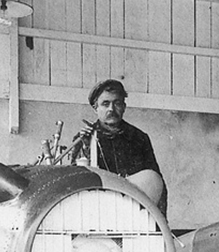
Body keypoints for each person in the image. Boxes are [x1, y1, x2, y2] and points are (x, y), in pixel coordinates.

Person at [71, 79, 167, 216]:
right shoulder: (82, 140)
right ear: (95, 108)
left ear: (124, 107)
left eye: (117, 103)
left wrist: (159, 226)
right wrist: (86, 147)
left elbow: (156, 184)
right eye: (105, 104)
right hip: (97, 215)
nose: (111, 109)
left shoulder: (139, 138)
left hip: (134, 215)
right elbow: (76, 188)